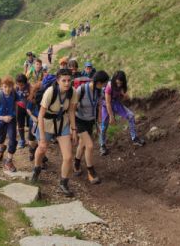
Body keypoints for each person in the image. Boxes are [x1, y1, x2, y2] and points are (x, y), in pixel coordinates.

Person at [31, 69, 78, 197]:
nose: (67, 83)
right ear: (58, 81)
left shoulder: (72, 92)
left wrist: (74, 130)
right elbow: (40, 115)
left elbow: (71, 112)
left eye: (69, 80)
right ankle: (36, 169)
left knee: (68, 157)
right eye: (64, 80)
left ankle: (63, 183)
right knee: (41, 150)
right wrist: (41, 139)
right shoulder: (50, 92)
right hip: (46, 123)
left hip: (62, 123)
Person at [72, 70, 109, 185]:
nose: (104, 86)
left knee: (82, 144)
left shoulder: (99, 92)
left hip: (90, 122)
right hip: (79, 121)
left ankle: (76, 164)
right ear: (97, 81)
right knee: (90, 145)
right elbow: (72, 109)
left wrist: (98, 123)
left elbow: (98, 106)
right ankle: (91, 172)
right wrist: (72, 127)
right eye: (103, 84)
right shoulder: (81, 90)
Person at [99, 71, 145, 156]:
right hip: (106, 105)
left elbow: (123, 94)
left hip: (116, 103)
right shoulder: (109, 86)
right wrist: (111, 117)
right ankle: (102, 145)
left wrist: (124, 95)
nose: (119, 85)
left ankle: (134, 138)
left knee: (131, 116)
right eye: (117, 83)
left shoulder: (122, 86)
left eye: (120, 83)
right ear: (114, 81)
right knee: (104, 126)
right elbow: (108, 103)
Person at [0, 75, 18, 172]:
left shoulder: (14, 93)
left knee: (13, 139)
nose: (7, 89)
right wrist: (3, 118)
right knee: (0, 139)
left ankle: (9, 161)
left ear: (12, 86)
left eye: (10, 86)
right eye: (5, 86)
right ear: (2, 86)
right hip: (0, 121)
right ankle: (2, 148)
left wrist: (14, 114)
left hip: (11, 120)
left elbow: (17, 103)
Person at [15, 73, 30, 149]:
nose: (20, 87)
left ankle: (31, 139)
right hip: (19, 108)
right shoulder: (15, 88)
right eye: (18, 85)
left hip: (28, 108)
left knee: (30, 124)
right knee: (20, 124)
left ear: (25, 83)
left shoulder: (30, 87)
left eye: (22, 85)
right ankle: (22, 140)